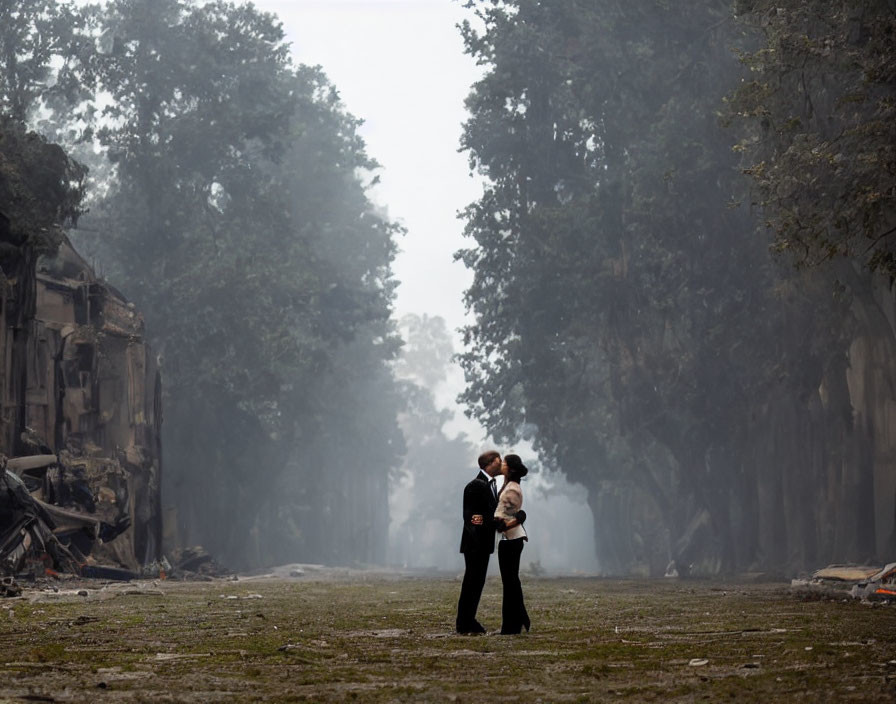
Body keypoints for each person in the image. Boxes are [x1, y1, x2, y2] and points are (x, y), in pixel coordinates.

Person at [455, 450, 503, 634]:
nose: (501, 463)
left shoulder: (489, 485)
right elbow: (473, 517)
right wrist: (491, 523)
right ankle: (464, 622)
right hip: (476, 544)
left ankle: (468, 619)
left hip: (482, 543)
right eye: (499, 460)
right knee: (472, 582)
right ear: (490, 462)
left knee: (476, 582)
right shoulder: (477, 485)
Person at [493, 453, 530, 634]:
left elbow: (503, 517)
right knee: (510, 582)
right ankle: (515, 621)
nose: (502, 464)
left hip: (512, 539)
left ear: (511, 468)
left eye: (505, 463)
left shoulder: (512, 489)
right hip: (509, 539)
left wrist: (490, 521)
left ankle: (513, 624)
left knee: (510, 582)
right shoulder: (507, 486)